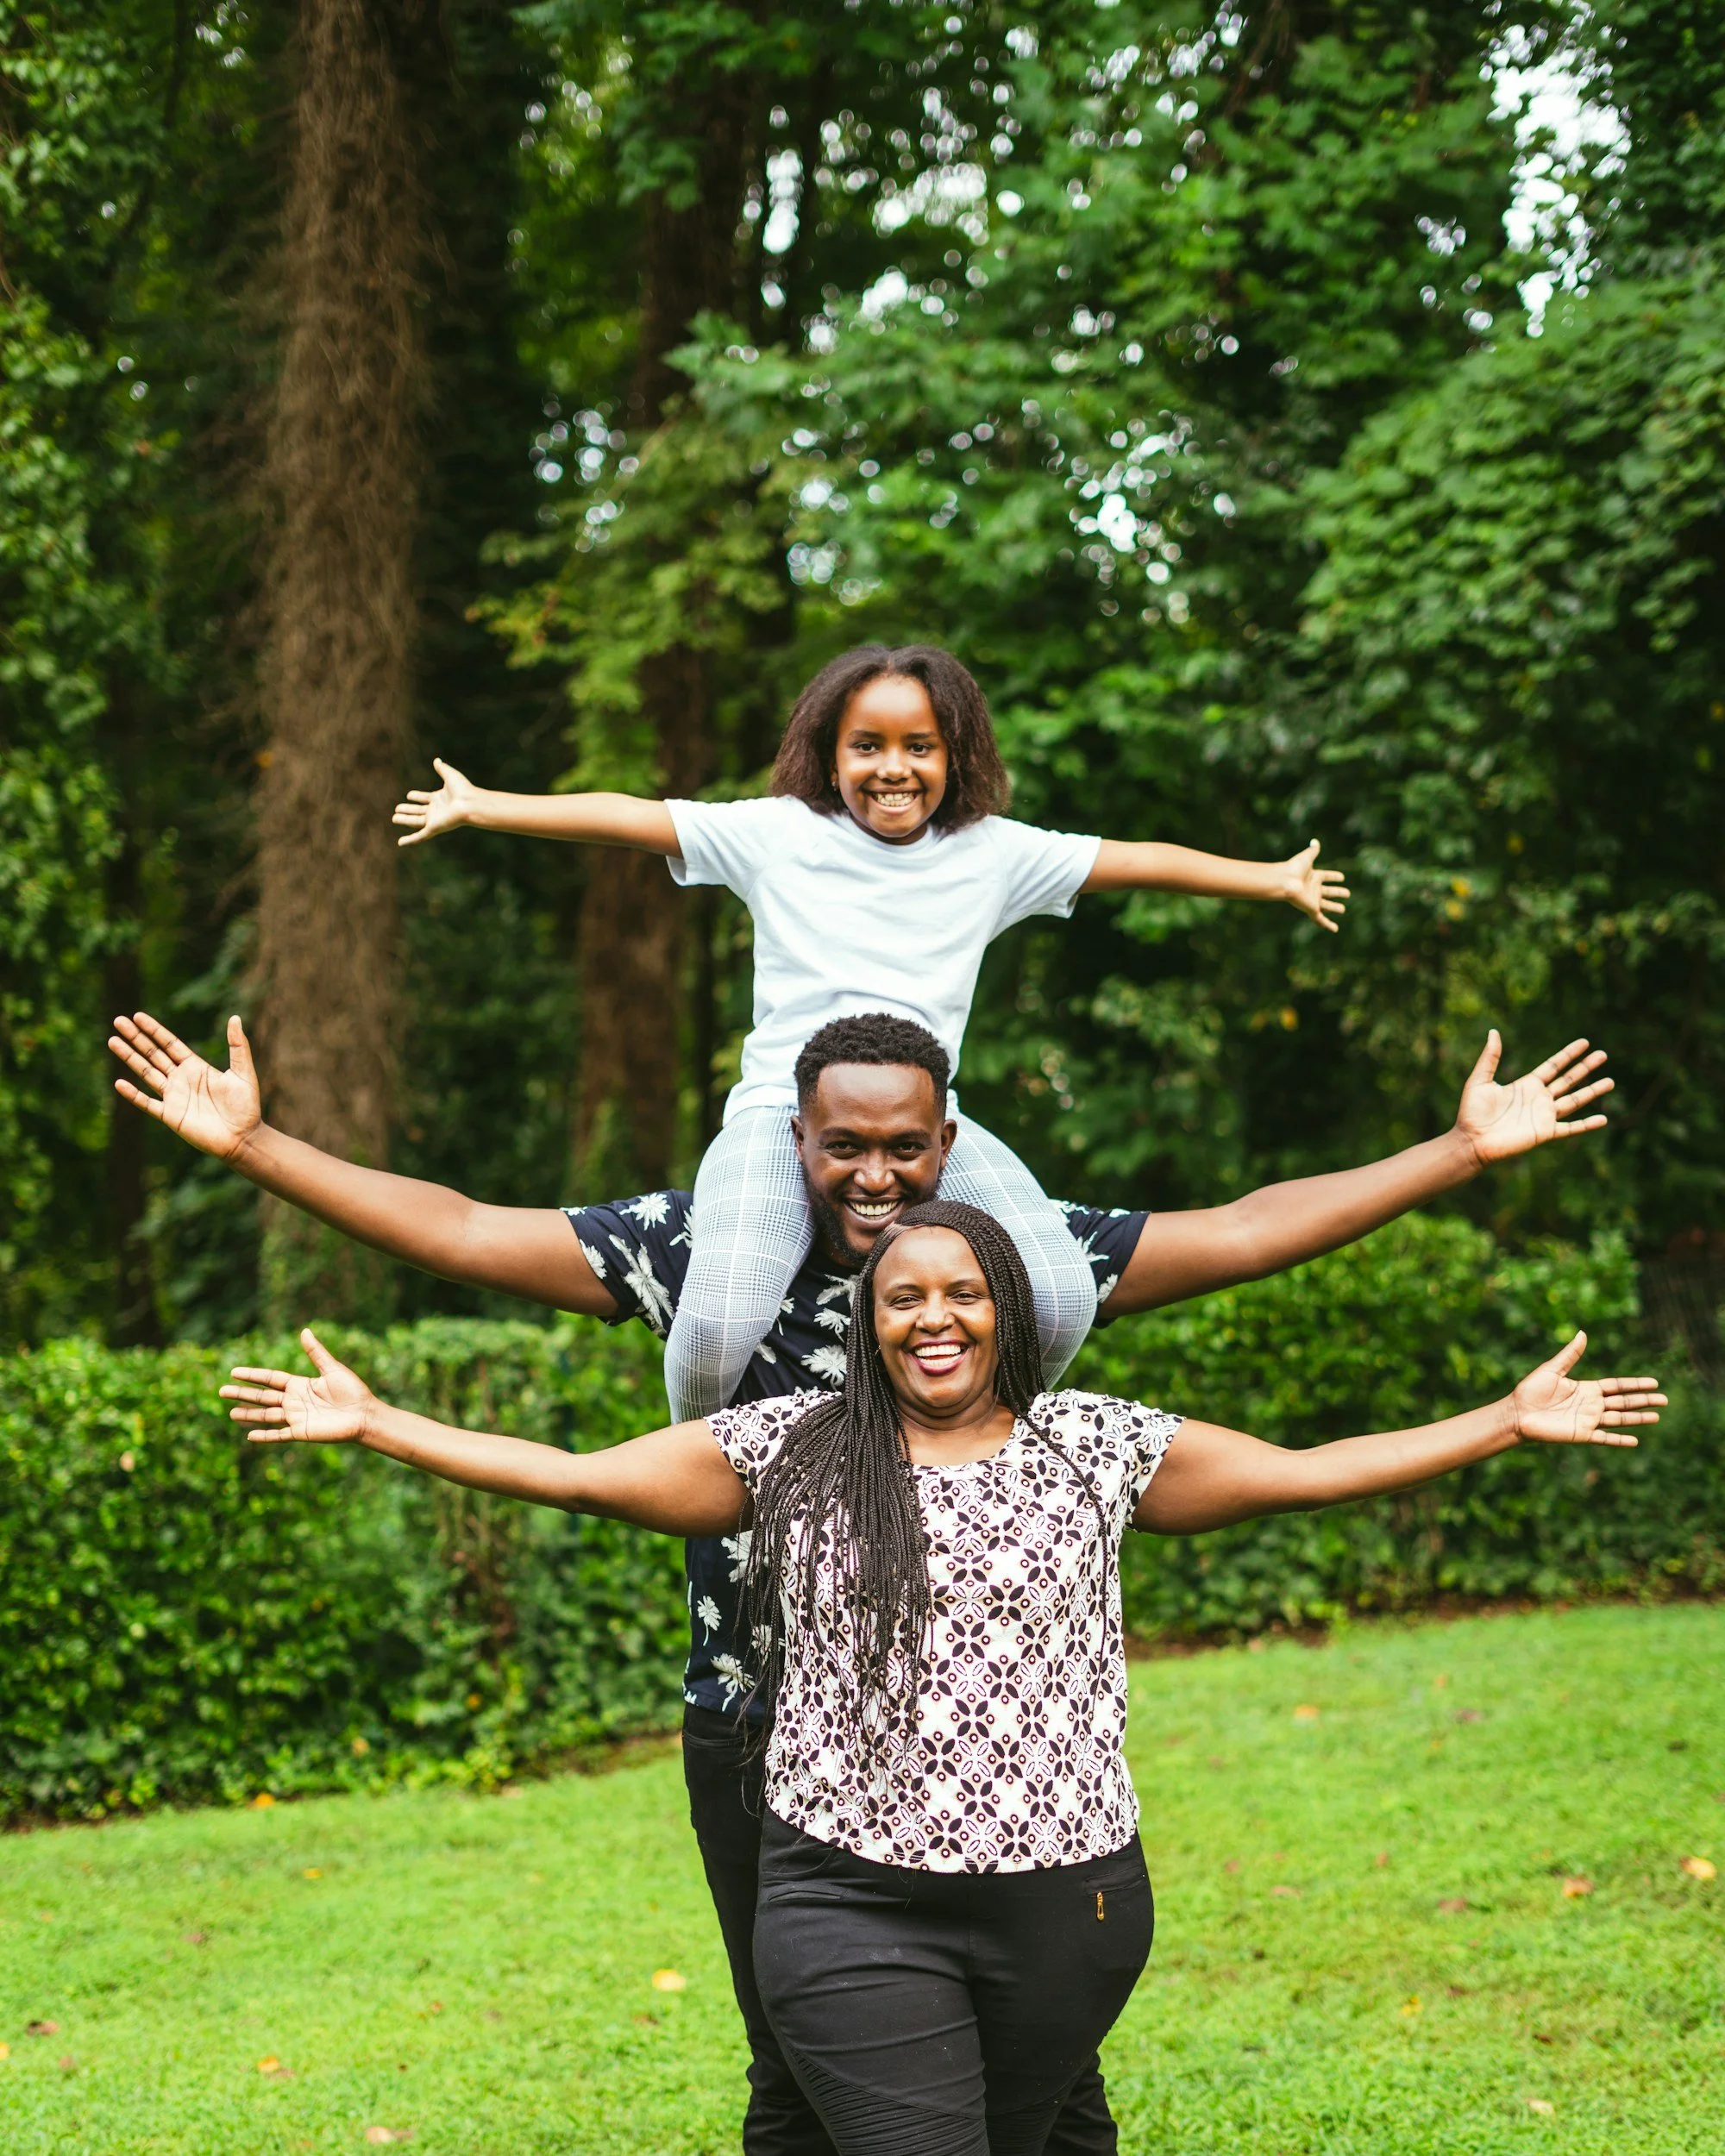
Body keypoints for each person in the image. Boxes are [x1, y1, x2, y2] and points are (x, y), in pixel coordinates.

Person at [109, 1003, 1612, 2156]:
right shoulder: (704, 1254)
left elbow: (1240, 1236)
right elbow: (464, 1235)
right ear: (798, 1140)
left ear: (949, 1146)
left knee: (1040, 2070)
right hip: (771, 1727)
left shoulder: (1013, 1269)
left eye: (908, 1148)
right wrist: (253, 1151)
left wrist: (1463, 1152)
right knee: (801, 2066)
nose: (878, 1175)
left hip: (1025, 1787)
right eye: (847, 1147)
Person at [389, 643, 1350, 1422]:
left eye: (918, 746)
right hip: (783, 1117)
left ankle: (975, 1461)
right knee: (721, 1314)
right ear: (829, 752)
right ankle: (698, 1465)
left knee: (1056, 1293)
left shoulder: (993, 854)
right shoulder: (778, 833)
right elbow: (632, 817)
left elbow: (1132, 861)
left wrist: (1266, 876)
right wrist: (484, 805)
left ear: (954, 754)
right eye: (868, 746)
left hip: (928, 1130)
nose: (893, 768)